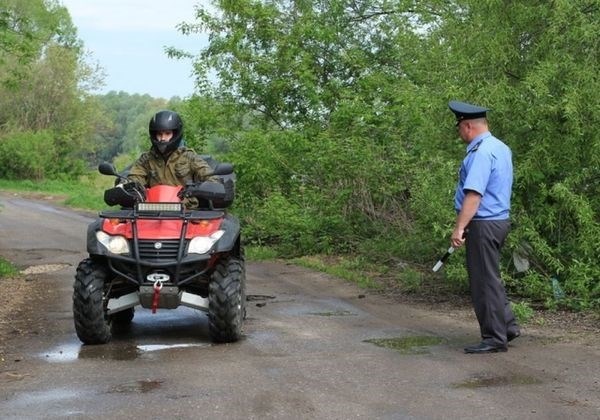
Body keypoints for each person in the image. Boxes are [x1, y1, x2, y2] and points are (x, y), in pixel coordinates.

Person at [448, 100, 520, 354]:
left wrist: (460, 228)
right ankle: (507, 327)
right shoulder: (500, 147)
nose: (459, 134)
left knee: (483, 282)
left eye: (459, 128)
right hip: (499, 221)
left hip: (483, 223)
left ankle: (494, 338)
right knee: (491, 278)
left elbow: (474, 195)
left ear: (468, 126)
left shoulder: (480, 153)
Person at [127, 110, 217, 207]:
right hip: (151, 210)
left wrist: (197, 189)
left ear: (175, 134)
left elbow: (211, 178)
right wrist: (125, 185)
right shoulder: (146, 159)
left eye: (167, 133)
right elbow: (135, 177)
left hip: (185, 211)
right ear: (154, 135)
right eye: (159, 134)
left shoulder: (189, 157)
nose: (163, 138)